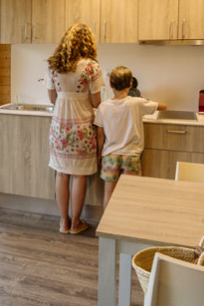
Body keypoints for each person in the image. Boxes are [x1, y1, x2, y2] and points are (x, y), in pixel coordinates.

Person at [45, 23, 104, 235]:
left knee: (61, 174)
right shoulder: (92, 67)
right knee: (79, 175)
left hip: (59, 127)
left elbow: (52, 98)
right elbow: (96, 103)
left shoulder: (53, 66)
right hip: (82, 128)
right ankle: (76, 223)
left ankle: (63, 222)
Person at [95, 66, 166, 209]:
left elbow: (100, 135)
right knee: (130, 193)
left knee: (109, 192)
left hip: (110, 156)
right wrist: (148, 101)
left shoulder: (103, 106)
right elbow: (163, 106)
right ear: (130, 84)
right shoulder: (137, 102)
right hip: (131, 156)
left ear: (111, 85)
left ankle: (107, 221)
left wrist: (98, 155)